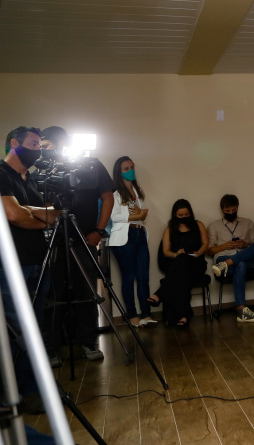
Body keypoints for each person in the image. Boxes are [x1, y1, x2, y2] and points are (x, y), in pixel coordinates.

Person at [39, 126, 114, 363]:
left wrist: (99, 231)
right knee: (52, 293)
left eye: (46, 144)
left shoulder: (90, 164)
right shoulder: (43, 169)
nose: (43, 149)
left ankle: (88, 342)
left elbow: (107, 197)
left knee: (86, 292)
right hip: (53, 238)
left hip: (85, 237)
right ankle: (51, 348)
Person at [0, 126, 60, 412]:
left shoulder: (33, 182)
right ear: (15, 144)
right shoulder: (1, 173)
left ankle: (30, 388)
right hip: (13, 265)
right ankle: (10, 394)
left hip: (39, 260)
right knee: (16, 329)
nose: (39, 149)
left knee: (34, 327)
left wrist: (30, 212)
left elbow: (54, 216)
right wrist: (37, 215)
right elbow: (12, 216)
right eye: (34, 144)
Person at [108, 156, 153, 328]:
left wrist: (140, 215)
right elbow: (114, 217)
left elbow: (142, 215)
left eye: (132, 167)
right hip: (123, 238)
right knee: (129, 277)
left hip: (139, 234)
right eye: (126, 169)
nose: (131, 171)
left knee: (143, 277)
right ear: (119, 173)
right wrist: (136, 215)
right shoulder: (115, 194)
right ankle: (132, 315)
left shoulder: (138, 190)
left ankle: (146, 313)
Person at [149, 199, 209, 327]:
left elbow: (205, 244)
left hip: (197, 264)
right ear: (175, 215)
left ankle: (159, 294)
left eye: (186, 215)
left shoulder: (198, 224)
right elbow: (166, 252)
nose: (184, 217)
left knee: (177, 273)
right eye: (180, 215)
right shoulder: (170, 229)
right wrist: (176, 254)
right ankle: (184, 316)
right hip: (180, 265)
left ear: (190, 213)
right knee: (181, 272)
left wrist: (198, 252)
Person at [208, 194, 254, 323]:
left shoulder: (248, 222)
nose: (231, 213)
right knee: (241, 264)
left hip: (242, 256)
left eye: (234, 210)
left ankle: (228, 263)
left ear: (238, 207)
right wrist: (224, 246)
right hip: (223, 257)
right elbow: (209, 251)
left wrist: (245, 244)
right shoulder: (214, 226)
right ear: (222, 209)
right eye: (228, 211)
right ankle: (241, 309)